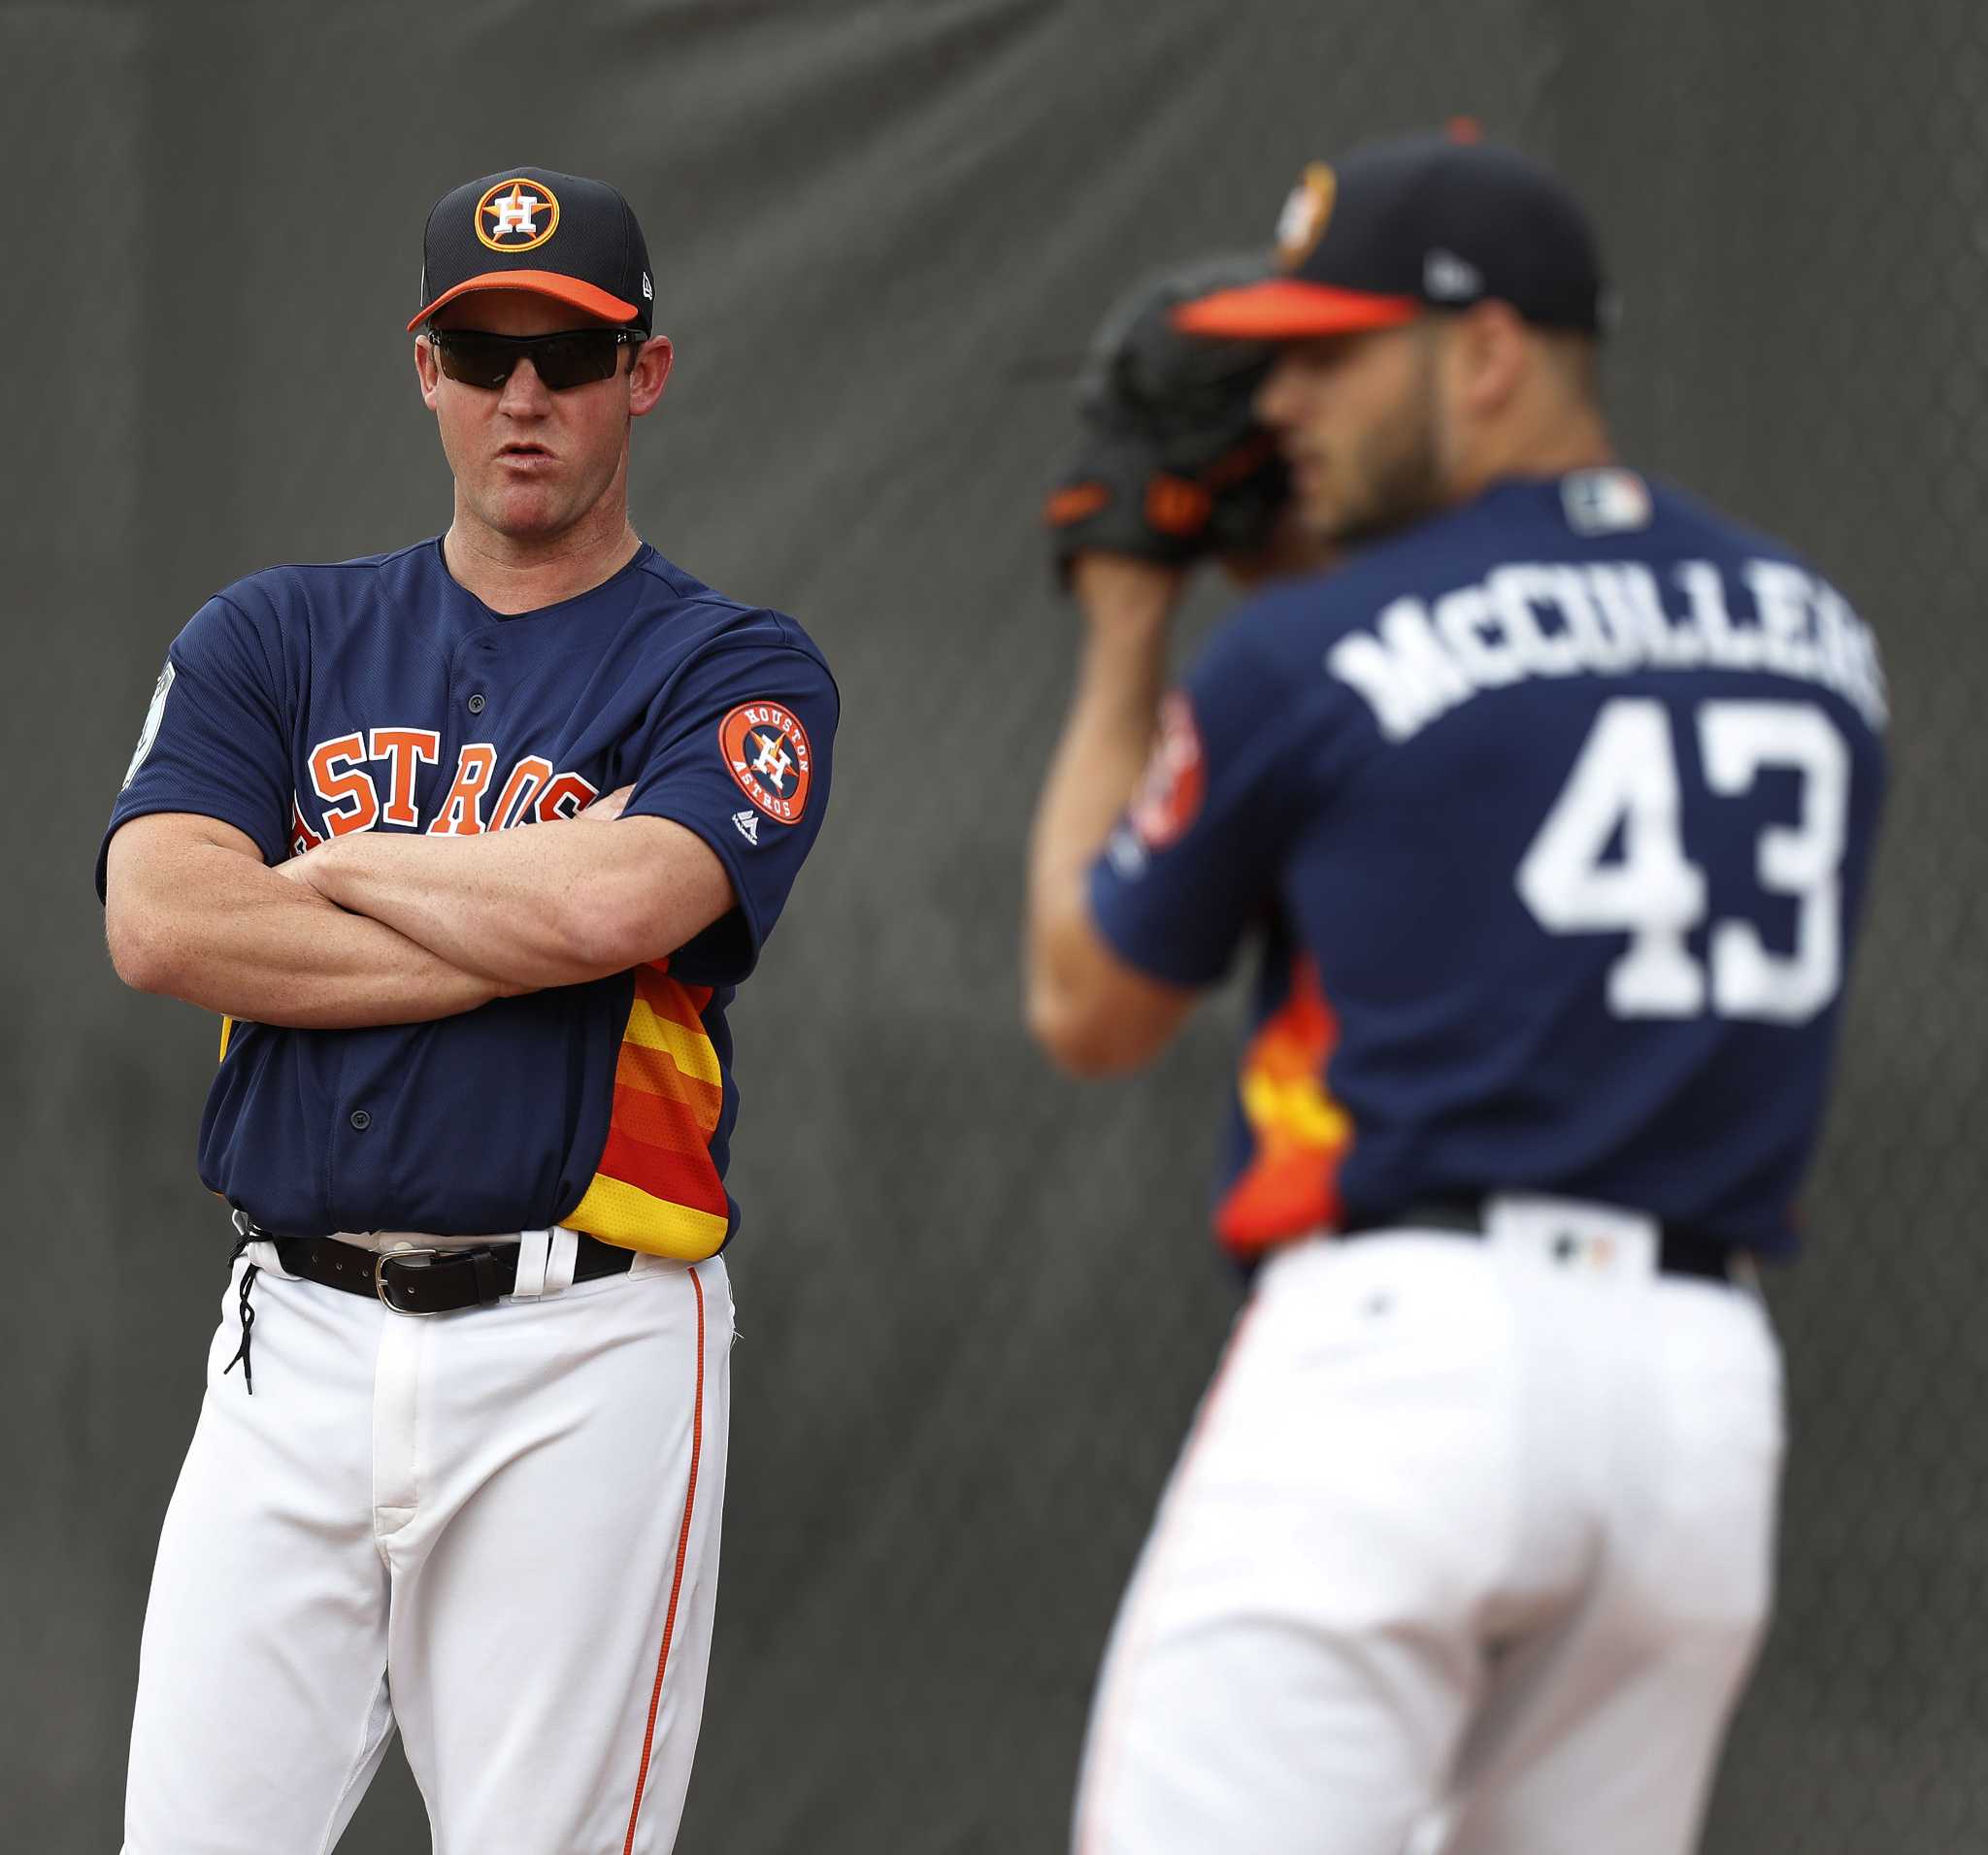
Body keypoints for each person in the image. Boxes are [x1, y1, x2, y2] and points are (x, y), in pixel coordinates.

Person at [1025, 130, 1887, 1855]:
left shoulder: (1310, 653)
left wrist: (1132, 624)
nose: (1281, 404)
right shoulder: (1819, 632)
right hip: (1697, 1415)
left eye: (1331, 355)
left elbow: (1089, 1007)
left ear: (1487, 352)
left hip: (1407, 1377)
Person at [99, 165, 837, 1854]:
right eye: (484, 346)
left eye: (567, 354)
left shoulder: (737, 667)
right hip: (291, 1339)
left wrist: (330, 858)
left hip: (582, 1348)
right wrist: (528, 911)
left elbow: (617, 905)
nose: (524, 395)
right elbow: (158, 922)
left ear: (642, 373)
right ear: (423, 367)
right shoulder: (272, 635)